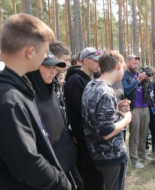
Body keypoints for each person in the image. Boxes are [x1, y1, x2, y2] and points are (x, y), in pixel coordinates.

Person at [0, 13, 71, 189]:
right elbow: (26, 164)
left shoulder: (16, 88)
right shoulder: (8, 98)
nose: (47, 58)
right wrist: (61, 183)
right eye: (45, 51)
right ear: (30, 52)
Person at [26, 51, 83, 189]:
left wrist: (71, 150)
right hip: (49, 172)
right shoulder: (29, 100)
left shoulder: (54, 96)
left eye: (54, 68)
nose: (53, 72)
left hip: (68, 164)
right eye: (47, 67)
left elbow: (62, 125)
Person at [82, 50, 132, 190]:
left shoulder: (91, 85)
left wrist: (116, 107)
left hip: (96, 155)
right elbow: (106, 131)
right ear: (118, 66)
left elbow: (95, 114)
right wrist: (127, 119)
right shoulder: (107, 91)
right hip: (112, 157)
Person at [64, 47, 103, 190]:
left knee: (95, 175)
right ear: (85, 61)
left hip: (91, 136)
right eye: (95, 60)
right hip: (85, 137)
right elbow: (83, 111)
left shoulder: (87, 79)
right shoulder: (76, 80)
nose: (98, 63)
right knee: (90, 175)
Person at [121, 54, 153, 168]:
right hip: (134, 107)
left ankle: (142, 154)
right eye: (134, 63)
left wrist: (147, 83)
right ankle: (134, 159)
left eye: (137, 64)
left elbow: (149, 90)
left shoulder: (139, 74)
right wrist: (137, 81)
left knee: (144, 133)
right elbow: (126, 91)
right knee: (134, 134)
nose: (136, 65)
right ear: (127, 62)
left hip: (145, 106)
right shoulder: (125, 75)